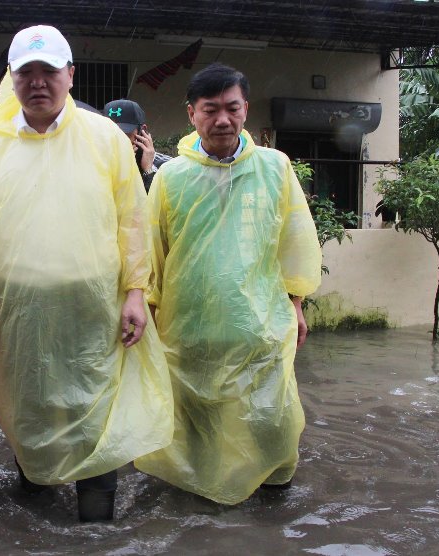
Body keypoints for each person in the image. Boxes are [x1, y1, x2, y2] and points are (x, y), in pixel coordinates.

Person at [0, 25, 173, 522]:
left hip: (93, 312)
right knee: (30, 404)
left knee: (95, 409)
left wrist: (137, 292)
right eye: (27, 72)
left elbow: (132, 219)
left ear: (71, 74)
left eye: (49, 71)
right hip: (14, 316)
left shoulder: (104, 137)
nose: (38, 82)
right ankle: (35, 499)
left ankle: (95, 527)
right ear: (12, 78)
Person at [134, 63, 322, 505]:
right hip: (190, 330)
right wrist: (151, 318)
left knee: (273, 421)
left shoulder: (275, 168)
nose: (222, 119)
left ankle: (272, 505)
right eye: (210, 109)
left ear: (245, 110)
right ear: (191, 115)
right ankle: (199, 505)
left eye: (232, 108)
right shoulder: (170, 178)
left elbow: (294, 240)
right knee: (195, 429)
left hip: (261, 328)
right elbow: (152, 255)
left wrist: (295, 304)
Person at [102, 99, 171, 192]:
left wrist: (148, 170)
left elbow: (159, 204)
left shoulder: (167, 166)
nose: (118, 140)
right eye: (111, 133)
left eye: (125, 134)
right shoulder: (99, 164)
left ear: (143, 131)